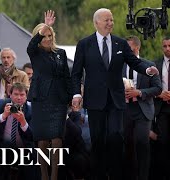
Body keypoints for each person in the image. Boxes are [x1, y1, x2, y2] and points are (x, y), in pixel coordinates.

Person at [71, 8, 159, 180]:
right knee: (97, 141)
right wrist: (76, 93)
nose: (111, 23)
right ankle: (98, 175)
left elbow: (134, 62)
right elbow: (76, 72)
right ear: (96, 22)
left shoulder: (120, 43)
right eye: (107, 20)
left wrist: (147, 70)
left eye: (112, 20)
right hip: (95, 100)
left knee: (115, 138)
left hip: (116, 100)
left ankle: (116, 175)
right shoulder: (84, 44)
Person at [27, 10, 72, 180]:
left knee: (57, 137)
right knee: (43, 140)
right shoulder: (35, 53)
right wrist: (46, 25)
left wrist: (71, 97)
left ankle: (54, 176)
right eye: (44, 36)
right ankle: (44, 176)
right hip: (42, 99)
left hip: (59, 99)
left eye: (49, 35)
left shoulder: (60, 53)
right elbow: (30, 46)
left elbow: (67, 77)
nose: (47, 38)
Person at [122, 35, 162, 180]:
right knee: (127, 146)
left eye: (130, 49)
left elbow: (158, 88)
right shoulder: (119, 66)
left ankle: (143, 177)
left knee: (142, 143)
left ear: (137, 47)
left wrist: (139, 92)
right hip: (125, 111)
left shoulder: (149, 65)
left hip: (142, 110)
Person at [0, 82, 38, 180]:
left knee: (31, 168)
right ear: (10, 94)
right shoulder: (1, 104)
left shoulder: (31, 110)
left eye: (22, 95)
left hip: (24, 149)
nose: (19, 98)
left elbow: (33, 137)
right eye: (16, 94)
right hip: (2, 147)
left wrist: (23, 122)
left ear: (26, 96)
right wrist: (3, 116)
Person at [150, 36, 170, 180]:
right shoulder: (155, 64)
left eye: (169, 46)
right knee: (162, 141)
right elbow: (151, 87)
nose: (167, 49)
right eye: (165, 46)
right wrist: (160, 94)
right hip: (162, 108)